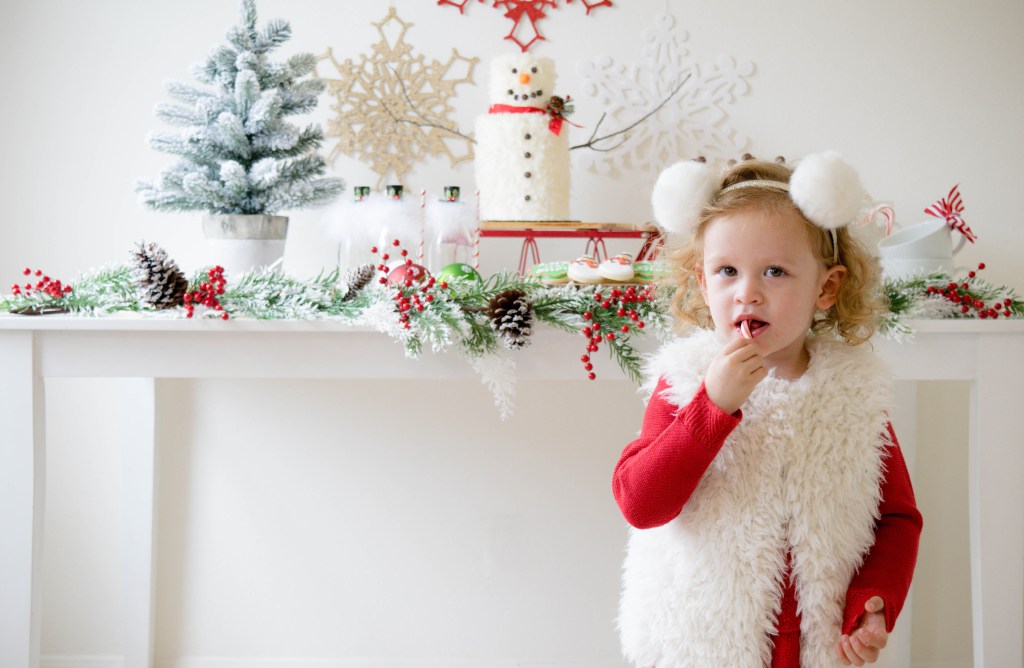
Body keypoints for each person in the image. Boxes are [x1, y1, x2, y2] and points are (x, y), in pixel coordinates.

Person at [613, 153, 922, 668]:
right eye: (727, 271)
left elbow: (896, 518)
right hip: (703, 641)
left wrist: (874, 601)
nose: (747, 293)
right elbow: (641, 503)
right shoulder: (685, 380)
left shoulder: (853, 392)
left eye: (775, 272)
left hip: (815, 645)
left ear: (826, 287)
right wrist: (711, 407)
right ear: (703, 279)